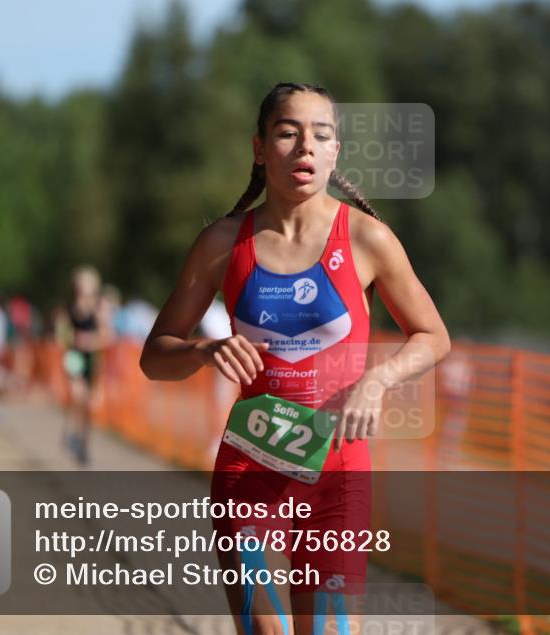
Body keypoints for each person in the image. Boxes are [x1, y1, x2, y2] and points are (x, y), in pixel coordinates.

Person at [140, 82, 450, 635]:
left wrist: (379, 379)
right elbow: (155, 355)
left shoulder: (368, 239)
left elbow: (432, 335)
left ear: (336, 152)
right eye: (287, 133)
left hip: (338, 476)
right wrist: (205, 349)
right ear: (260, 148)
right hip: (248, 470)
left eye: (321, 135)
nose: (305, 147)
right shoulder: (221, 243)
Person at [58, 266, 113, 466]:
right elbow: (61, 333)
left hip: (92, 360)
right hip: (74, 358)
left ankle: (83, 444)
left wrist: (89, 341)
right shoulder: (69, 308)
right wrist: (72, 339)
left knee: (89, 405)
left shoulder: (99, 309)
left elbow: (107, 336)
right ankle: (71, 433)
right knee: (77, 394)